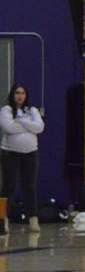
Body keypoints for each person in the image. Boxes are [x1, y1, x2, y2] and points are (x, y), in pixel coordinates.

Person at [0, 84, 44, 233]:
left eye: (23, 93)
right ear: (13, 94)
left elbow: (40, 127)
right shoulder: (6, 110)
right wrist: (30, 126)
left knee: (29, 187)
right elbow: (8, 128)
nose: (20, 95)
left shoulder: (32, 110)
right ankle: (2, 220)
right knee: (9, 187)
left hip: (31, 153)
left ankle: (33, 219)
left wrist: (21, 122)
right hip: (10, 153)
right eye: (17, 92)